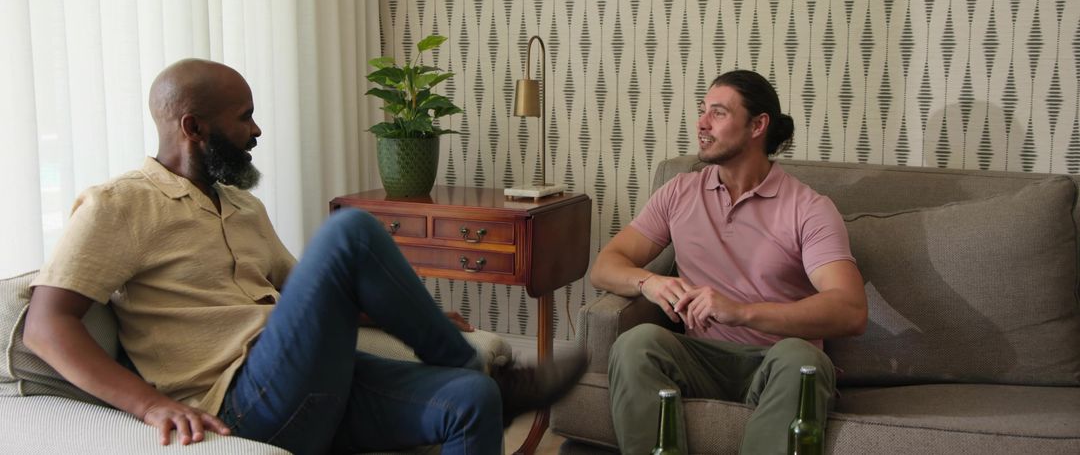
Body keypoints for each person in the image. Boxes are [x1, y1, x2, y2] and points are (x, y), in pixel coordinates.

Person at [23, 58, 586, 455]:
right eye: (243, 116)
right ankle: (468, 362)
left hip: (310, 384)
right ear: (192, 127)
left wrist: (418, 315)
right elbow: (46, 328)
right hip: (239, 400)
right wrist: (149, 406)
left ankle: (476, 376)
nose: (257, 129)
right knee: (353, 231)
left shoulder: (242, 207)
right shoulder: (119, 205)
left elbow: (315, 295)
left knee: (473, 398)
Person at [590, 70, 868, 454]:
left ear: (758, 125)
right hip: (702, 358)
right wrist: (649, 283)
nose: (701, 124)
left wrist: (741, 312)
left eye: (717, 113)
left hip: (776, 361)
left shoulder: (808, 209)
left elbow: (850, 309)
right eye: (702, 111)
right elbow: (605, 265)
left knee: (802, 358)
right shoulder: (680, 192)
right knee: (636, 343)